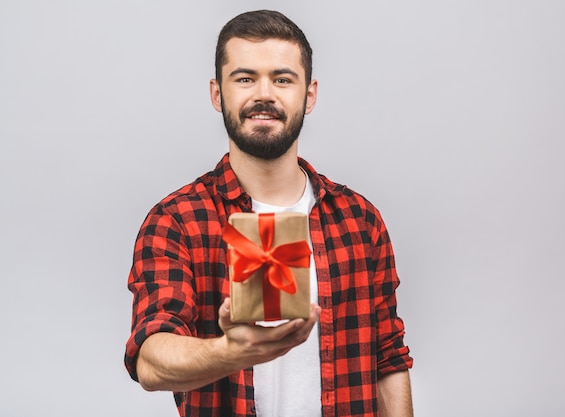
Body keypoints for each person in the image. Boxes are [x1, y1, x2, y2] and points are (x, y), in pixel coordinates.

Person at [124, 9, 413, 417]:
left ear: (308, 95)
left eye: (282, 79)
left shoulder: (359, 221)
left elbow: (388, 359)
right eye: (245, 78)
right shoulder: (177, 221)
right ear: (216, 93)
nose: (264, 94)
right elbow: (151, 359)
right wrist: (231, 352)